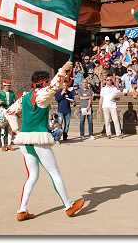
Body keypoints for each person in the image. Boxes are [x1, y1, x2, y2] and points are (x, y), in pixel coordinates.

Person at [8, 60, 85, 220]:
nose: (49, 83)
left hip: (24, 141)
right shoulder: (42, 93)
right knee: (54, 173)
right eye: (47, 81)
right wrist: (63, 69)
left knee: (32, 176)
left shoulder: (25, 97)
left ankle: (22, 210)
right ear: (43, 82)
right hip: (38, 140)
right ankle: (69, 206)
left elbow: (9, 112)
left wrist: (16, 130)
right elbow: (54, 86)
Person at [0, 80, 17, 151]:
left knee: (10, 129)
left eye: (8, 86)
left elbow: (15, 103)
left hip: (10, 112)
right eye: (6, 86)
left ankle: (9, 144)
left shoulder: (12, 93)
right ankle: (3, 145)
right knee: (3, 129)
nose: (7, 87)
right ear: (4, 86)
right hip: (3, 112)